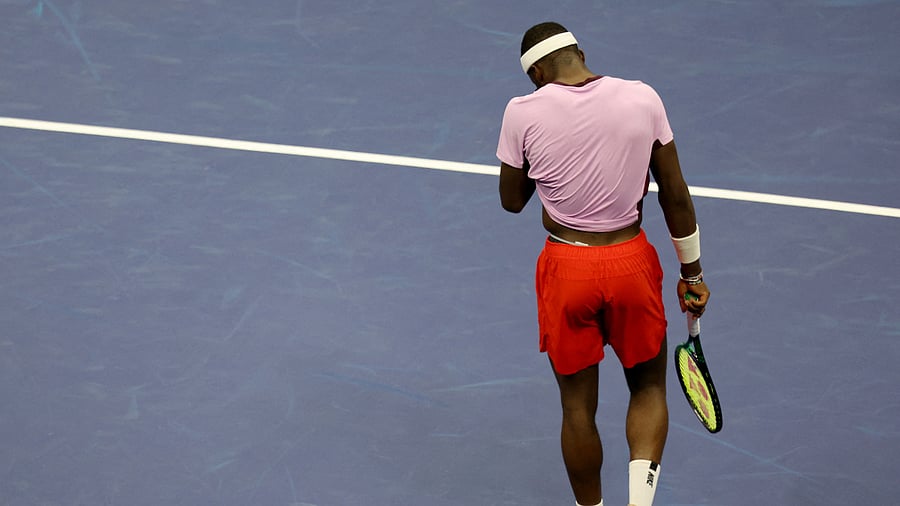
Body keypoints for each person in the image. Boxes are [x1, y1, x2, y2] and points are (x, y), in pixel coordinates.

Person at [496, 22, 710, 506]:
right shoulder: (643, 98)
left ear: (535, 74)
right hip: (632, 265)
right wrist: (692, 274)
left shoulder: (521, 112)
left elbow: (512, 201)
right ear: (579, 52)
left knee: (576, 408)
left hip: (567, 268)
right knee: (649, 387)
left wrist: (544, 159)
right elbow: (674, 195)